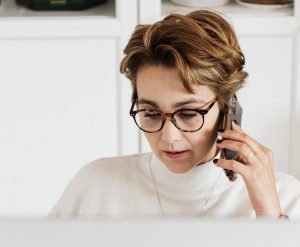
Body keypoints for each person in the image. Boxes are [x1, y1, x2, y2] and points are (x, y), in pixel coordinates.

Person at [49, 10, 300, 219]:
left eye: (188, 113)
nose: (168, 137)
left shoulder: (282, 197)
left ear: (227, 107)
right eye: (150, 113)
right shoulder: (95, 187)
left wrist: (270, 217)